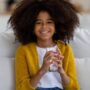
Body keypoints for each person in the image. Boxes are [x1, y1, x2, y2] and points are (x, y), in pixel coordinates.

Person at [9, 0, 80, 90]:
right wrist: (43, 69)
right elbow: (21, 88)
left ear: (57, 26)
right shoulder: (23, 51)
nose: (44, 27)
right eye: (38, 23)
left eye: (49, 22)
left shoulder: (65, 49)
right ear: (31, 27)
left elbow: (74, 87)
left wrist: (61, 71)